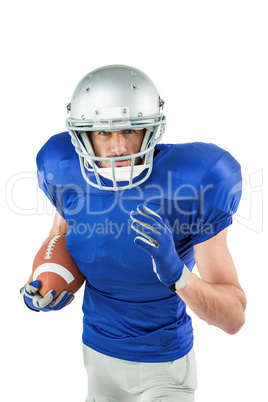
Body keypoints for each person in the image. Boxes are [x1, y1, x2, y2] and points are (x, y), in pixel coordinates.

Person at [21, 65, 247, 401]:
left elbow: (234, 317)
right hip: (96, 354)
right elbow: (64, 237)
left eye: (129, 130)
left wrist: (179, 275)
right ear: (82, 137)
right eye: (103, 133)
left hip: (163, 364)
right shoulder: (63, 168)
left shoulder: (195, 181)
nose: (118, 148)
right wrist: (46, 280)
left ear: (151, 130)